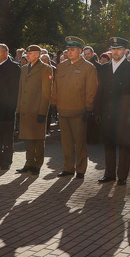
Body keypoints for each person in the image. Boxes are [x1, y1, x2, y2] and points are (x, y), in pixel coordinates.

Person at [96, 37, 130, 186]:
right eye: (113, 49)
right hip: (108, 114)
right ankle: (109, 174)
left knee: (123, 146)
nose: (115, 52)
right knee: (108, 144)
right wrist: (98, 111)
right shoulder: (104, 68)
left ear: (125, 51)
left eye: (119, 49)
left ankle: (122, 176)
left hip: (124, 115)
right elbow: (100, 92)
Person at [52, 36, 98, 179]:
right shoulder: (61, 66)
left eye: (72, 50)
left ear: (79, 51)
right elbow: (56, 87)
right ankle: (68, 168)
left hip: (79, 111)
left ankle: (81, 169)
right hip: (63, 109)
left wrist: (88, 108)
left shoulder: (88, 67)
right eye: (68, 50)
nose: (69, 52)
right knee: (66, 142)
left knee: (80, 142)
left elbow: (91, 89)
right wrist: (54, 104)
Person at [15, 45, 52, 175]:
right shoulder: (24, 69)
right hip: (25, 110)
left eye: (30, 54)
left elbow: (46, 93)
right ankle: (28, 162)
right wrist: (18, 110)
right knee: (28, 139)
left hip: (36, 110)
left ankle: (37, 164)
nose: (27, 56)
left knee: (38, 139)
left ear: (37, 54)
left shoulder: (46, 69)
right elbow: (21, 91)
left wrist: (42, 112)